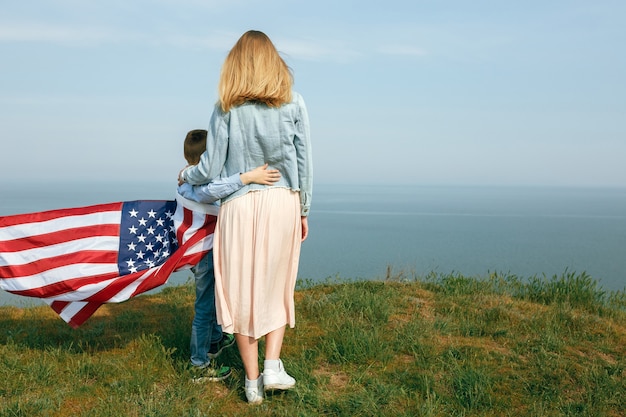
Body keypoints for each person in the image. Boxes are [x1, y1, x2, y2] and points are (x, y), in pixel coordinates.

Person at [178, 30, 312, 404]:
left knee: (239, 292)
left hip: (238, 206)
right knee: (275, 284)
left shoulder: (226, 107)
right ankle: (272, 365)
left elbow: (209, 166)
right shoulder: (294, 103)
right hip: (282, 201)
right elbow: (305, 163)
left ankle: (252, 384)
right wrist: (304, 209)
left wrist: (186, 175)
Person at [177, 128, 281, 382]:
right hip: (203, 252)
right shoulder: (195, 186)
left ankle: (214, 341)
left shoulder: (186, 179)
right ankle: (198, 364)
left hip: (205, 250)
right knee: (204, 306)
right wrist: (246, 177)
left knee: (214, 297)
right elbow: (212, 191)